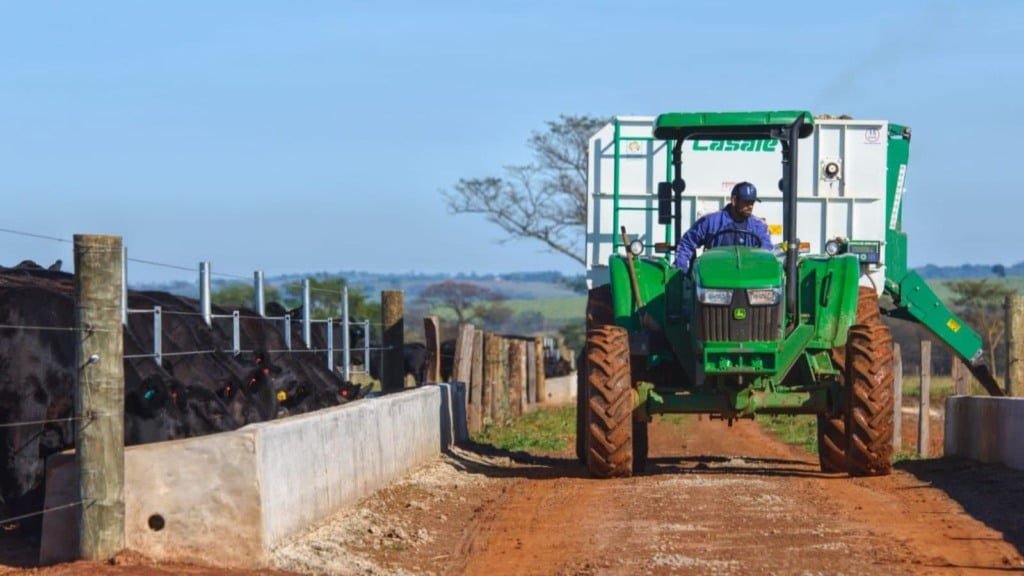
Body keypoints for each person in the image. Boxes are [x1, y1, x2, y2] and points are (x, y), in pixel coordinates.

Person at [672, 181, 773, 273]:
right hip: (713, 277)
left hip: (748, 277)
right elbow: (687, 244)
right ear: (734, 200)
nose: (750, 206)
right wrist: (681, 271)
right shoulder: (710, 222)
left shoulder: (759, 227)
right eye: (746, 202)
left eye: (752, 202)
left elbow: (766, 253)